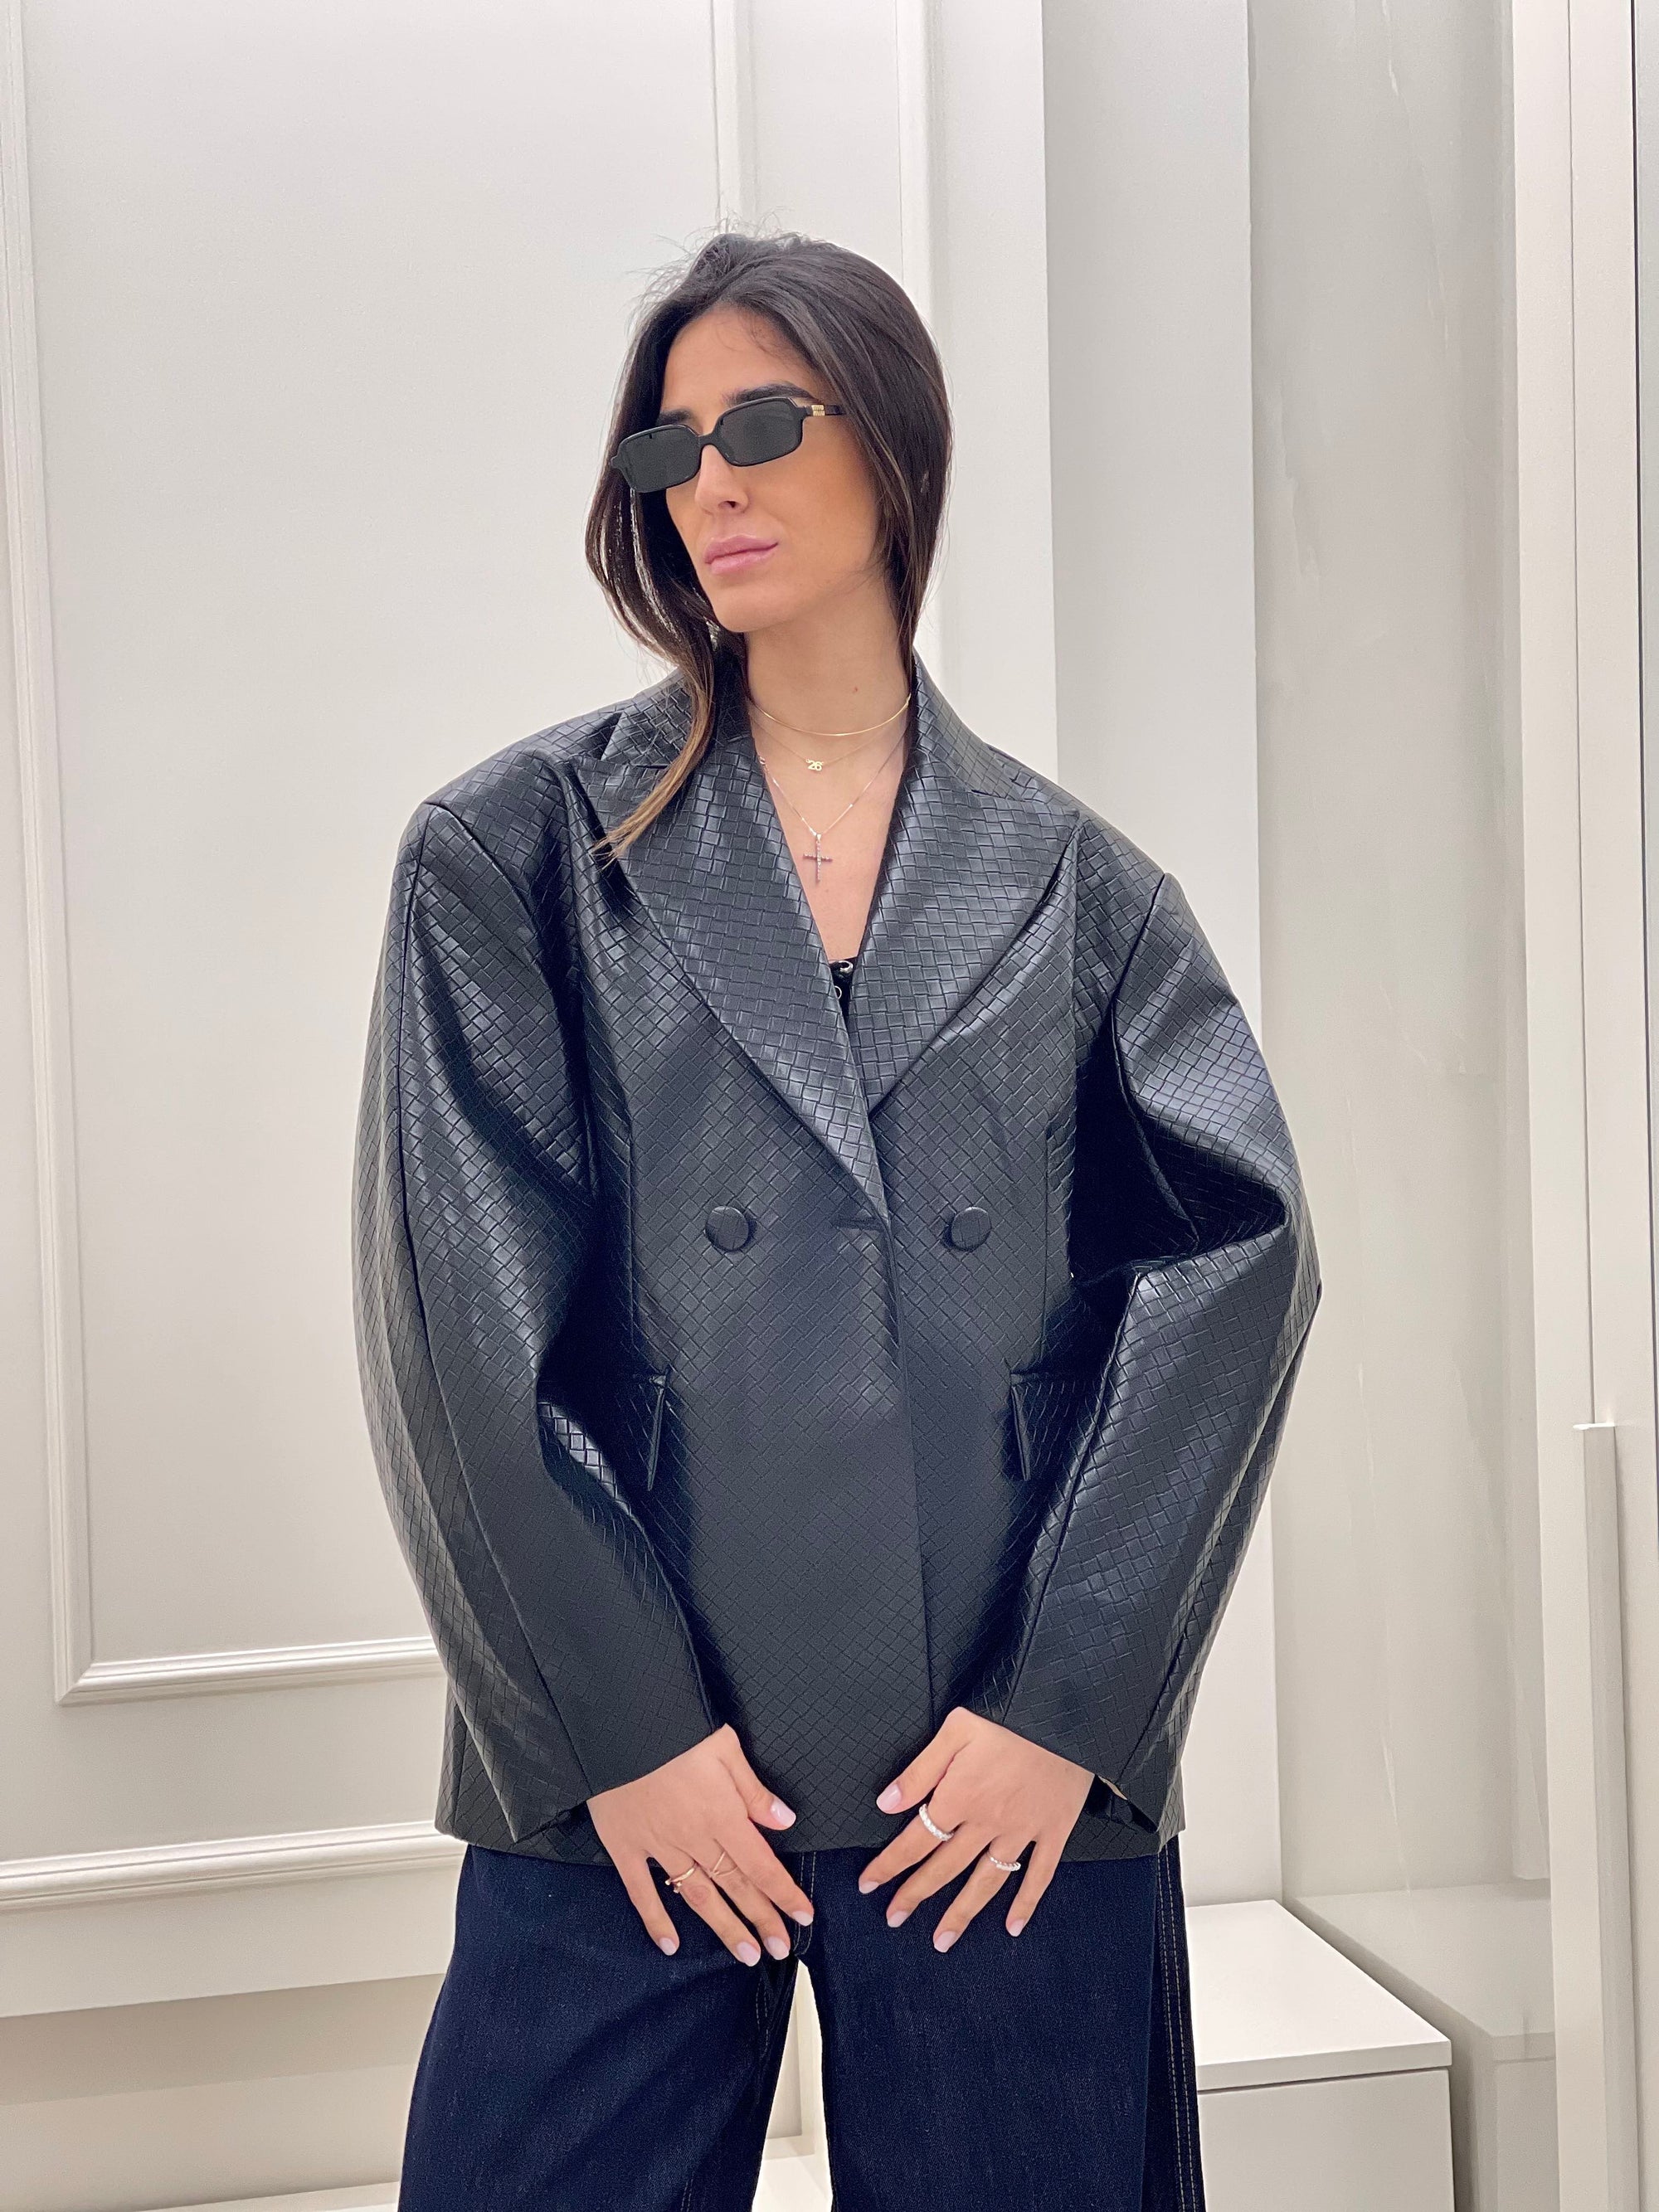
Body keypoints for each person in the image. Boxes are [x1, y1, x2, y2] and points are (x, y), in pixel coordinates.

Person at [352, 227, 1321, 2212]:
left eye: (763, 425)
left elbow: (1239, 1269)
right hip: (634, 1748)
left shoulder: (1078, 885)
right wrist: (623, 1729)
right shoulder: (509, 855)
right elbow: (459, 1326)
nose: (707, 481)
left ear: (891, 444)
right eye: (667, 446)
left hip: (987, 1766)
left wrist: (1067, 1709)